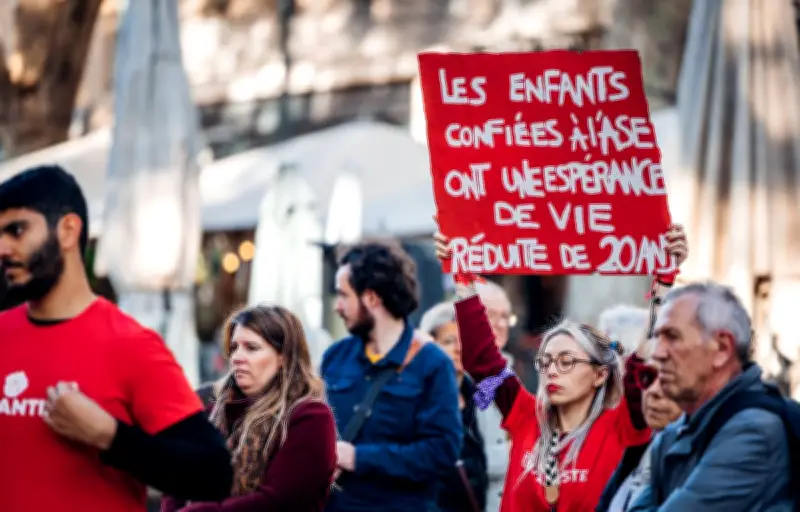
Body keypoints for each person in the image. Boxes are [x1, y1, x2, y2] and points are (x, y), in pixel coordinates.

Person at [0, 165, 232, 512]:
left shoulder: (131, 344)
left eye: (16, 230)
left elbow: (213, 473)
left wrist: (110, 436)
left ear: (67, 230)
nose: (2, 248)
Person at [434, 223, 688, 512]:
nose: (552, 370)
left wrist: (664, 283)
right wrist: (463, 279)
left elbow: (646, 363)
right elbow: (482, 361)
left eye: (566, 361)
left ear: (599, 374)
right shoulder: (526, 415)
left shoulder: (619, 426)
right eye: (546, 361)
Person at [629, 282, 796, 511]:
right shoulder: (672, 434)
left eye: (672, 336)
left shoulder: (754, 430)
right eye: (658, 337)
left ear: (722, 349)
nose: (658, 353)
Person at [321, 240, 462, 512]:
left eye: (343, 295)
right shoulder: (334, 357)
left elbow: (441, 451)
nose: (337, 306)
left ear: (371, 298)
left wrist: (358, 458)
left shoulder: (432, 364)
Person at [161, 305, 337, 512]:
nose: (237, 357)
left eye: (251, 348)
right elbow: (178, 483)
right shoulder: (212, 411)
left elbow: (278, 501)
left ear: (284, 357)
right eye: (234, 347)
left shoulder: (310, 417)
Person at [421, 301, 489, 512]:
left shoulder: (482, 398)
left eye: (464, 340)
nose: (459, 348)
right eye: (449, 341)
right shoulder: (419, 398)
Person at [474, 279, 515, 512]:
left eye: (505, 317)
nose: (500, 324)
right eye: (490, 314)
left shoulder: (509, 373)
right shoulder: (452, 375)